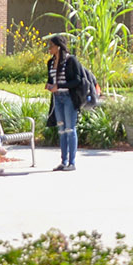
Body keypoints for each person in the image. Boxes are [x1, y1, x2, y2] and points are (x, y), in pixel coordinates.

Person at [45, 35, 85, 172]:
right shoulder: (50, 62)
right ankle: (63, 161)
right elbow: (51, 79)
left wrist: (59, 85)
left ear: (58, 46)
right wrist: (49, 85)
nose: (49, 48)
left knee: (70, 129)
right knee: (61, 130)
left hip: (69, 98)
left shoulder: (70, 60)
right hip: (57, 98)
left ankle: (72, 162)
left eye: (51, 46)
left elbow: (77, 80)